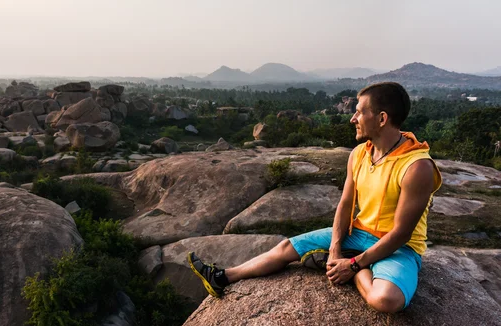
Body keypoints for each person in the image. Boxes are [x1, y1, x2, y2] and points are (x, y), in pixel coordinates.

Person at [188, 82, 442, 313]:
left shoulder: (416, 167)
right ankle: (222, 277)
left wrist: (352, 266)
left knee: (386, 301)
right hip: (360, 234)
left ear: (382, 118)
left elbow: (401, 234)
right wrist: (335, 248)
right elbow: (345, 204)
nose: (353, 118)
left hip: (398, 248)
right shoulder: (359, 154)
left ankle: (359, 273)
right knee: (287, 248)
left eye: (359, 112)